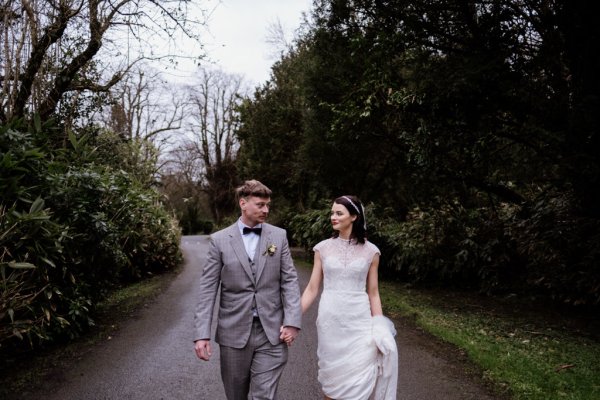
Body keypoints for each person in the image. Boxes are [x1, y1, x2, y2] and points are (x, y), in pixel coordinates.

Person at [193, 179, 302, 400]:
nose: (266, 210)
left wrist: (292, 321)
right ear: (243, 203)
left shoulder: (278, 236)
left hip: (270, 332)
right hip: (233, 332)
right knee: (236, 395)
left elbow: (289, 280)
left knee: (263, 395)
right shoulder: (219, 240)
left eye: (268, 205)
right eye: (260, 205)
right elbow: (207, 289)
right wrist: (201, 334)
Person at [292, 195, 398, 400]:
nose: (333, 217)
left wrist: (379, 326)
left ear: (354, 217)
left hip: (359, 321)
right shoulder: (322, 248)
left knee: (359, 377)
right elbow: (312, 288)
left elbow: (374, 293)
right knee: (332, 380)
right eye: (332, 212)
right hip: (330, 321)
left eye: (339, 213)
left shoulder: (371, 252)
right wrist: (292, 318)